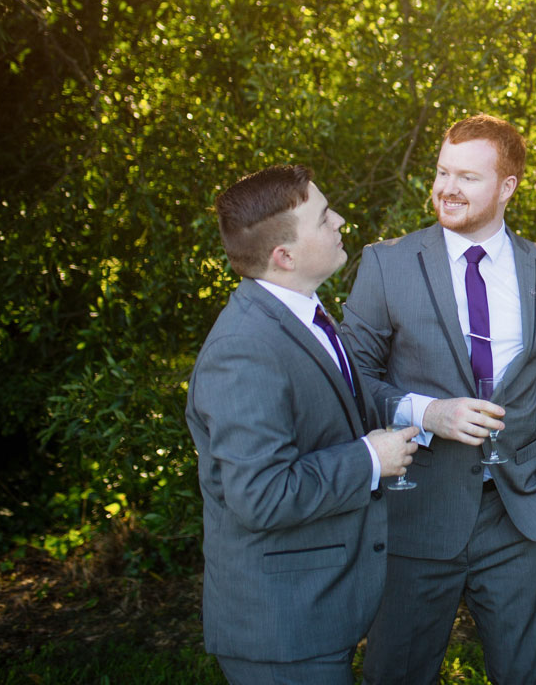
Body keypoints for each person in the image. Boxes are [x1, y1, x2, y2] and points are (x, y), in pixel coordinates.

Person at [342, 114, 536, 685]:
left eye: (468, 177)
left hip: (519, 514)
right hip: (414, 513)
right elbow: (352, 377)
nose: (447, 187)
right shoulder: (388, 263)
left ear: (507, 186)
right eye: (442, 171)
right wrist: (426, 412)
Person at [186, 164, 418, 685]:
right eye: (322, 217)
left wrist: (426, 412)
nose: (340, 221)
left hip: (315, 613)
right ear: (283, 256)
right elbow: (261, 495)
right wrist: (368, 459)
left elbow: (338, 407)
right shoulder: (243, 351)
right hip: (281, 628)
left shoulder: (302, 314)